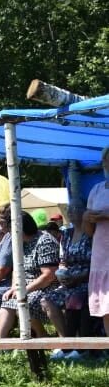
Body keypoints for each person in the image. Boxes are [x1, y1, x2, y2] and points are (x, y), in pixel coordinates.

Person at [0, 211, 59, 351]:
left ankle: (41, 336)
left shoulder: (45, 241)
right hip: (27, 286)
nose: (9, 233)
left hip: (46, 286)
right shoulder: (20, 244)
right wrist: (14, 287)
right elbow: (17, 270)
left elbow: (48, 275)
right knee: (8, 299)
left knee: (22, 301)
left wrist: (24, 290)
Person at [43, 203, 92, 360]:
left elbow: (96, 262)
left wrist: (77, 278)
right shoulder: (67, 233)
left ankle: (79, 347)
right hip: (69, 280)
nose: (71, 214)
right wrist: (62, 272)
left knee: (76, 297)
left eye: (75, 211)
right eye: (69, 211)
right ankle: (66, 342)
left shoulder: (91, 233)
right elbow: (63, 260)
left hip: (89, 279)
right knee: (47, 300)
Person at [85, 145, 109, 340]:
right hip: (101, 251)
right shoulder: (97, 189)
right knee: (106, 306)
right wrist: (87, 218)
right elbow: (88, 231)